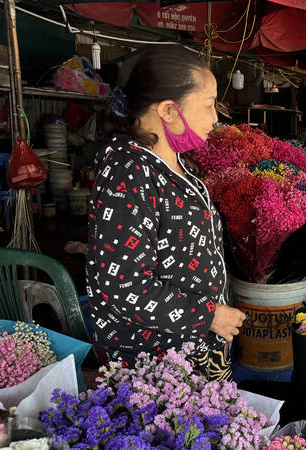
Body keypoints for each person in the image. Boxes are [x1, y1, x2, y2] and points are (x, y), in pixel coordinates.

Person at [86, 47, 245, 381]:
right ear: (169, 111)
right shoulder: (127, 174)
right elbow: (121, 284)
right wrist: (209, 316)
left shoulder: (175, 162)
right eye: (208, 103)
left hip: (196, 350)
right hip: (156, 370)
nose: (216, 118)